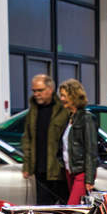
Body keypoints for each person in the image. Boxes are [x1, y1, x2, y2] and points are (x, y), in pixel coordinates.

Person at [58, 79, 98, 214]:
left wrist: (89, 178)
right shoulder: (71, 118)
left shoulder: (86, 118)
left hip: (81, 173)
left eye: (64, 95)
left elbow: (91, 150)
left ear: (74, 96)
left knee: (71, 213)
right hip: (70, 171)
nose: (61, 99)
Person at [19, 73, 70, 206]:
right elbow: (27, 139)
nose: (36, 94)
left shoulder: (64, 110)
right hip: (40, 171)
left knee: (66, 208)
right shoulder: (33, 111)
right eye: (34, 91)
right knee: (43, 209)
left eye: (40, 90)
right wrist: (27, 165)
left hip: (60, 171)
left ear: (50, 89)